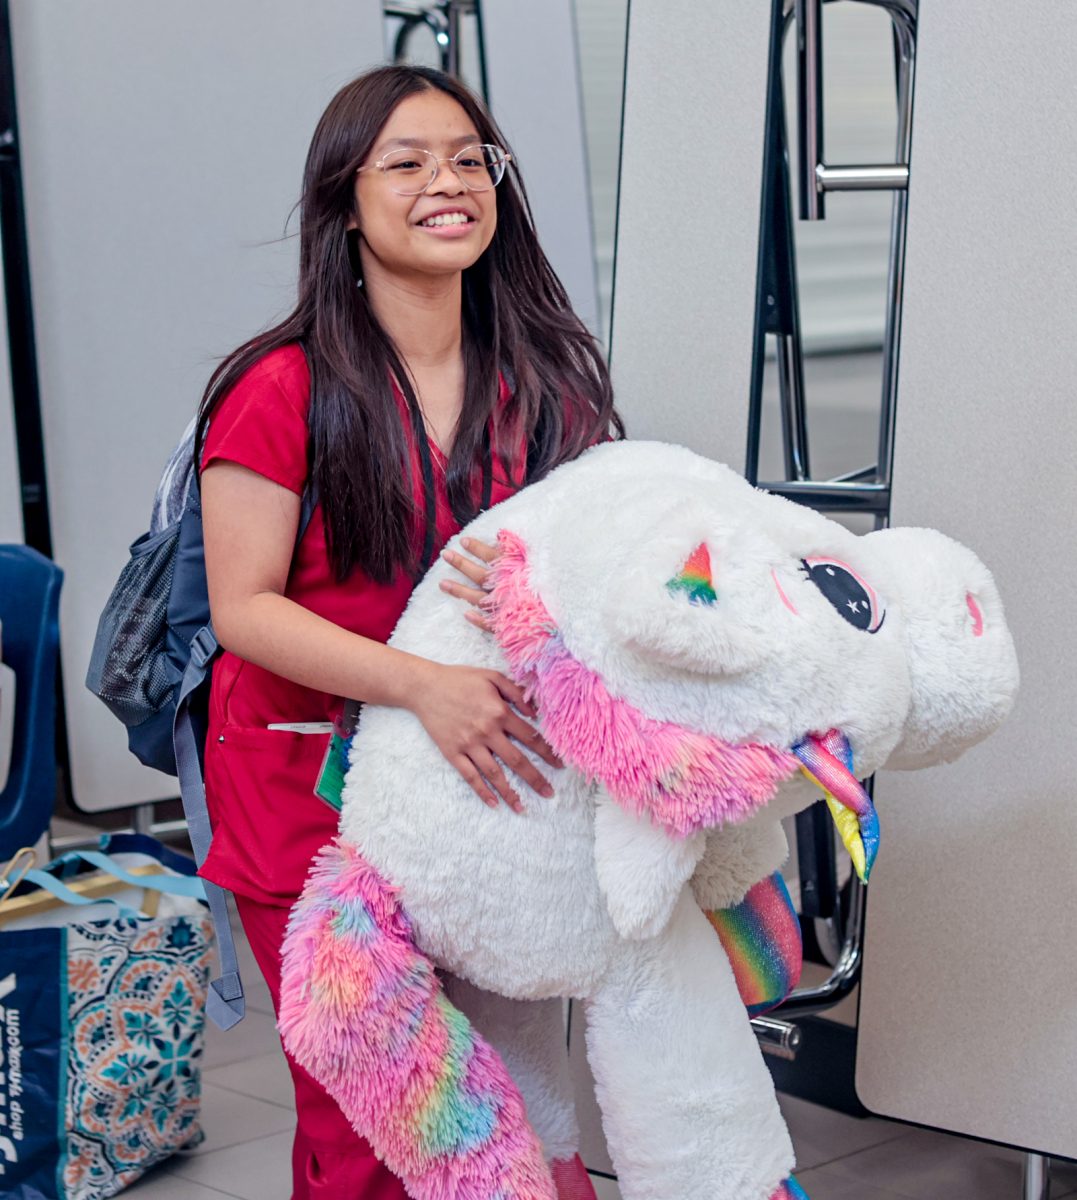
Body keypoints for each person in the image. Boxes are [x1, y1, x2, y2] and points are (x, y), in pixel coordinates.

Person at [195, 64, 621, 1199]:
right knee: (375, 1123)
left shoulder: (545, 384)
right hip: (306, 790)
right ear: (344, 202)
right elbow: (244, 610)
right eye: (410, 161)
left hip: (479, 779)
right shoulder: (277, 389)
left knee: (517, 1103)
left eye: (470, 159)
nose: (449, 181)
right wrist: (424, 684)